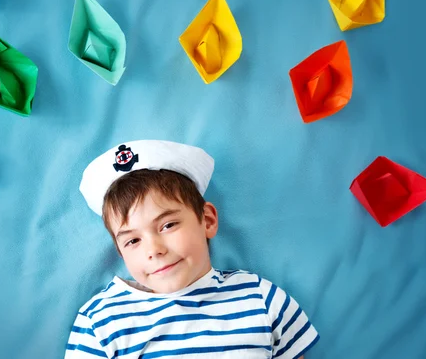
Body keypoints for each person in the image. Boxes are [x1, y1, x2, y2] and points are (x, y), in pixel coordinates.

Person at [66, 140, 319, 358]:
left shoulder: (262, 300)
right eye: (133, 241)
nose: (154, 250)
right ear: (121, 251)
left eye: (168, 225)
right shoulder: (100, 321)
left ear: (207, 220)